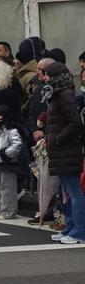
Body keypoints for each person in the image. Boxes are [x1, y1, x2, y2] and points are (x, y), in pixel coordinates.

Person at [40, 60, 85, 244]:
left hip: (66, 150)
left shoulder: (64, 95)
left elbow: (75, 122)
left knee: (74, 193)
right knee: (66, 193)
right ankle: (70, 228)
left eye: (46, 75)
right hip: (61, 151)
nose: (44, 78)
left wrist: (57, 139)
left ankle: (79, 232)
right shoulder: (57, 94)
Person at [0, 105, 27, 220]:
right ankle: (2, 209)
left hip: (7, 164)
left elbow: (17, 144)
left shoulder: (12, 130)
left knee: (8, 188)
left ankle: (9, 212)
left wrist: (6, 154)